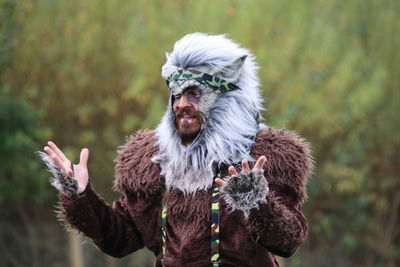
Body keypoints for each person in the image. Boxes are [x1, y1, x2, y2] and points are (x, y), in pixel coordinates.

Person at [39, 33, 313, 267]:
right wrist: (80, 195)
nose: (181, 104)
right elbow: (120, 240)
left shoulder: (267, 156)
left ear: (226, 102)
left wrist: (256, 202)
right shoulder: (151, 161)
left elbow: (288, 241)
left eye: (194, 94)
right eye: (176, 95)